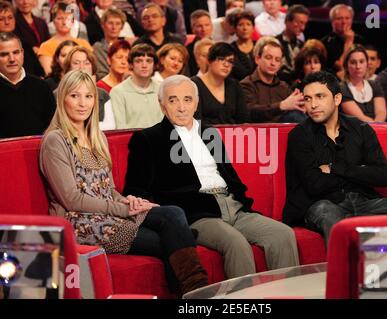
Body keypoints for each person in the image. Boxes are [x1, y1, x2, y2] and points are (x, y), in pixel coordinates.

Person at [39, 69, 208, 296]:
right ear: (63, 99)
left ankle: (195, 291)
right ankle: (196, 293)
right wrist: (124, 209)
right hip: (81, 223)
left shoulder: (96, 136)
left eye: (88, 96)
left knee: (172, 213)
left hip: (109, 213)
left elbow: (108, 191)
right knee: (173, 240)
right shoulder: (55, 140)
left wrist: (130, 201)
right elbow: (72, 200)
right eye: (74, 96)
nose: (82, 103)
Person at [123, 74, 299, 279]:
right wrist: (135, 198)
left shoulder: (209, 133)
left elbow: (230, 176)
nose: (181, 107)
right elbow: (135, 188)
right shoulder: (148, 139)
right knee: (236, 243)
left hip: (233, 206)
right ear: (162, 105)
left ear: (196, 103)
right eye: (173, 100)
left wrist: (240, 203)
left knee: (283, 235)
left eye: (187, 99)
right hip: (197, 213)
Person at [283, 71, 387, 244]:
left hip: (364, 201)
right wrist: (359, 173)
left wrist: (334, 168)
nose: (313, 104)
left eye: (320, 96)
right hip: (321, 203)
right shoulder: (299, 136)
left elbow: (381, 176)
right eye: (308, 99)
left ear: (337, 99)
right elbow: (314, 184)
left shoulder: (360, 129)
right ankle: (343, 271)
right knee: (331, 218)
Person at [0, 32, 55, 138]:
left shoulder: (42, 87)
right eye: (4, 54)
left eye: (16, 52)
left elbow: (53, 127)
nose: (12, 59)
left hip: (38, 151)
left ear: (22, 53)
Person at [240, 36, 306, 123]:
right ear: (257, 59)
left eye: (277, 60)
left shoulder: (284, 87)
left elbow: (295, 107)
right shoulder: (246, 84)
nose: (273, 63)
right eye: (268, 58)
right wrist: (281, 106)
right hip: (258, 134)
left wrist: (302, 105)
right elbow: (249, 112)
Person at [192, 42, 249, 124]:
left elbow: (244, 120)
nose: (226, 64)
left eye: (230, 61)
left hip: (232, 135)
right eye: (221, 59)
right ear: (209, 60)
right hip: (204, 135)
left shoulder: (234, 86)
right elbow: (195, 122)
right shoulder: (194, 85)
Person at [110, 43, 163, 129]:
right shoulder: (118, 92)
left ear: (154, 65)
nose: (144, 65)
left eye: (149, 61)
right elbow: (120, 128)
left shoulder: (162, 89)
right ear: (131, 64)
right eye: (139, 61)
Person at [62, 46, 115, 130]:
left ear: (92, 67)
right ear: (68, 68)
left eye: (87, 63)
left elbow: (111, 126)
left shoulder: (103, 94)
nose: (82, 67)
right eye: (76, 63)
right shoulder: (57, 94)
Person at [38, 1, 92, 75]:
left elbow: (92, 70)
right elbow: (50, 74)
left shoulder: (84, 44)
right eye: (60, 18)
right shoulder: (46, 46)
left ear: (73, 21)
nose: (64, 22)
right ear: (53, 21)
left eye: (68, 18)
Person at [340, 45, 387, 122]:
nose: (358, 66)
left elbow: (381, 112)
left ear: (367, 64)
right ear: (346, 65)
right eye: (353, 62)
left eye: (361, 61)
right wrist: (375, 128)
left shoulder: (375, 84)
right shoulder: (342, 88)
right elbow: (360, 118)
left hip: (378, 128)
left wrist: (378, 127)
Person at [321, 4, 364, 75]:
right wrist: (348, 42)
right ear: (332, 21)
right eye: (339, 18)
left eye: (347, 18)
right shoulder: (326, 42)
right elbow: (341, 66)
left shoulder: (360, 40)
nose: (344, 22)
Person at [275, 4, 310, 84]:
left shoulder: (303, 46)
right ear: (287, 21)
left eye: (304, 24)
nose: (302, 28)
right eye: (300, 23)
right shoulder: (275, 43)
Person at [92, 8, 127, 80]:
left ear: (122, 27)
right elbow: (100, 73)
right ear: (103, 25)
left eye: (118, 23)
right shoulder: (98, 47)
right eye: (110, 23)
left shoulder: (126, 47)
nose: (114, 27)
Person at [230, 10, 256, 81]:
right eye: (240, 25)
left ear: (253, 28)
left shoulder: (260, 46)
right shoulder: (230, 49)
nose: (245, 28)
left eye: (248, 24)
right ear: (235, 29)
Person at [186, 10, 214, 76]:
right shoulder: (188, 51)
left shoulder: (220, 47)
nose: (203, 29)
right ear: (192, 29)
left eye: (207, 25)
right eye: (199, 26)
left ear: (212, 26)